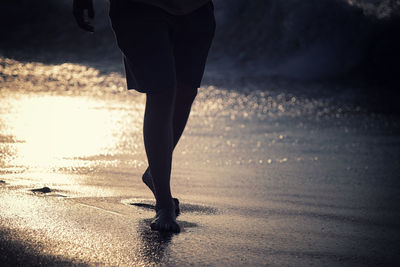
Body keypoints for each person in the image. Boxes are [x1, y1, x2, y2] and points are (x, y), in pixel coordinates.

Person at [73, 0, 215, 233]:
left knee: (186, 90)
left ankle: (154, 172)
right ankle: (164, 203)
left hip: (195, 7)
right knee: (162, 91)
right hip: (138, 7)